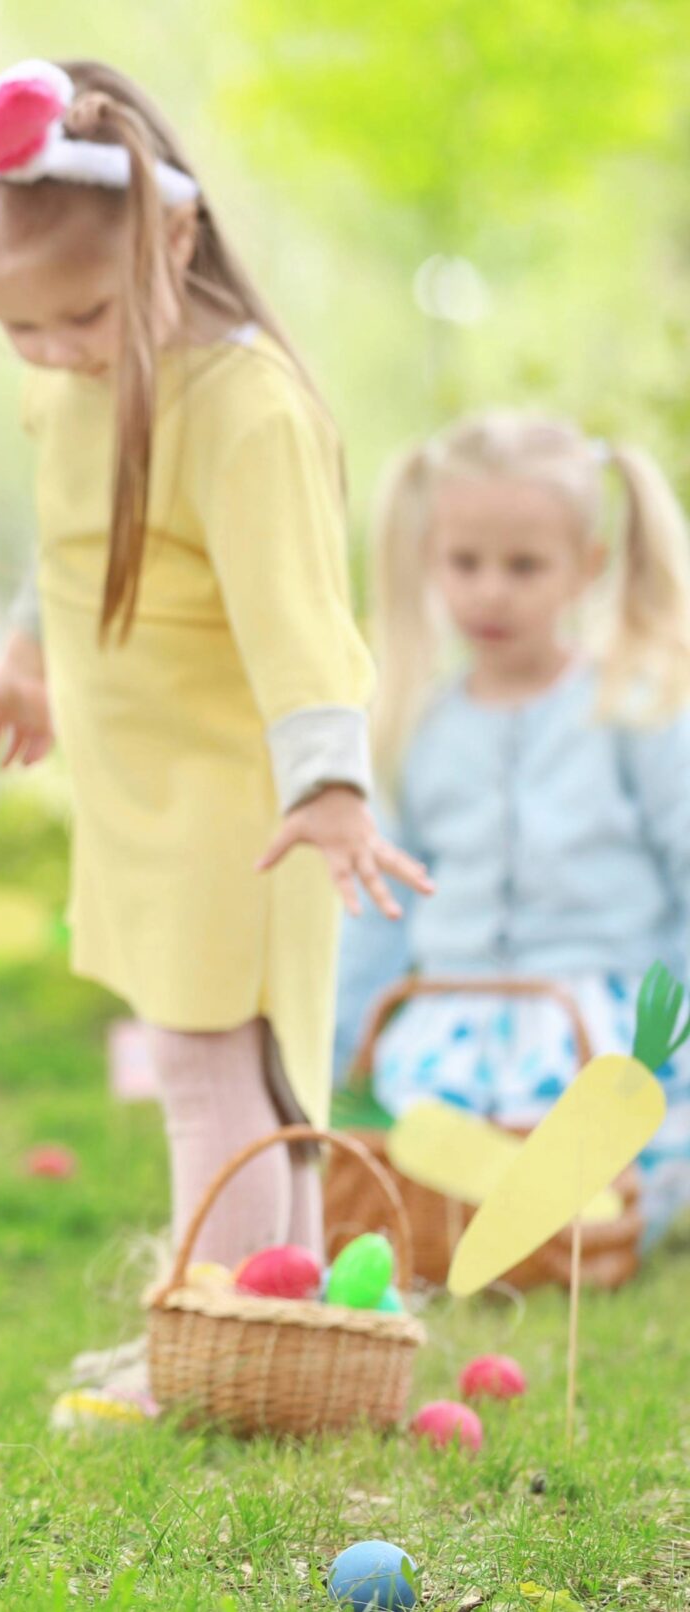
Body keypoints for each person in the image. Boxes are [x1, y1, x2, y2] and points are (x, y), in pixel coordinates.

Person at [0, 26, 429, 1284]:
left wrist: (328, 780)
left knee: (219, 1068)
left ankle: (218, 1324)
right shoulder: (76, 380)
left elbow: (298, 614)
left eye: (79, 315)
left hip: (243, 798)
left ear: (172, 235)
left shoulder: (240, 404)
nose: (54, 351)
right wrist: (24, 661)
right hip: (146, 797)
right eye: (16, 329)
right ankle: (261, 1323)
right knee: (216, 1066)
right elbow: (72, 545)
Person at [337, 412, 690, 1244]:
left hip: (595, 1020)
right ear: (430, 558)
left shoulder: (634, 705)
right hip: (453, 1020)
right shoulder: (412, 723)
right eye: (466, 563)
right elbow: (381, 901)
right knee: (419, 1132)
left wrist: (666, 1030)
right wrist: (339, 1051)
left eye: (525, 566)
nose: (490, 590)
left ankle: (585, 1214)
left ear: (586, 568)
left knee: (584, 1131)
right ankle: (487, 1214)